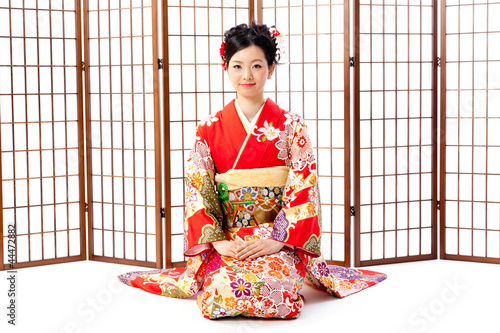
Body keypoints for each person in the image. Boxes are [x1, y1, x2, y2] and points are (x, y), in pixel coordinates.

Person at [118, 21, 386, 319]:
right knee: (222, 289)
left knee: (275, 287)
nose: (247, 75)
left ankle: (282, 272)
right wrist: (218, 240)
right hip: (229, 239)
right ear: (226, 68)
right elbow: (199, 190)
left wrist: (278, 240)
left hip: (278, 238)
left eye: (257, 65)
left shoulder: (291, 126)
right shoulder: (209, 129)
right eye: (237, 66)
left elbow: (303, 186)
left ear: (270, 69)